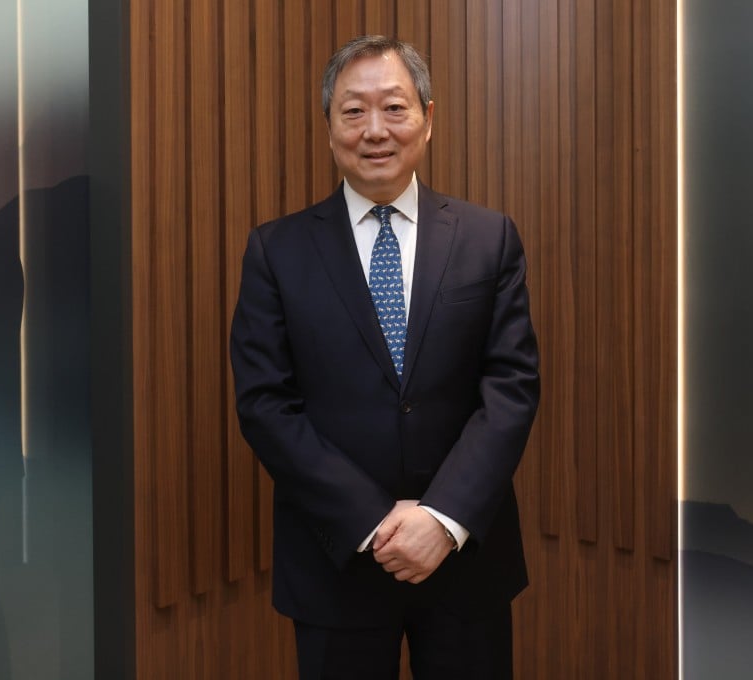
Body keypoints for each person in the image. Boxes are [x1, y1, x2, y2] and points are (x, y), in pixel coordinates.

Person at [230, 35, 540, 680]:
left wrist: (442, 518)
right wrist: (373, 521)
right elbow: (265, 404)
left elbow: (510, 388)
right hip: (336, 561)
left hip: (464, 562)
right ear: (328, 125)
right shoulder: (276, 252)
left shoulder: (489, 239)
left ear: (429, 117)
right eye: (353, 111)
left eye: (394, 107)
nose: (375, 130)